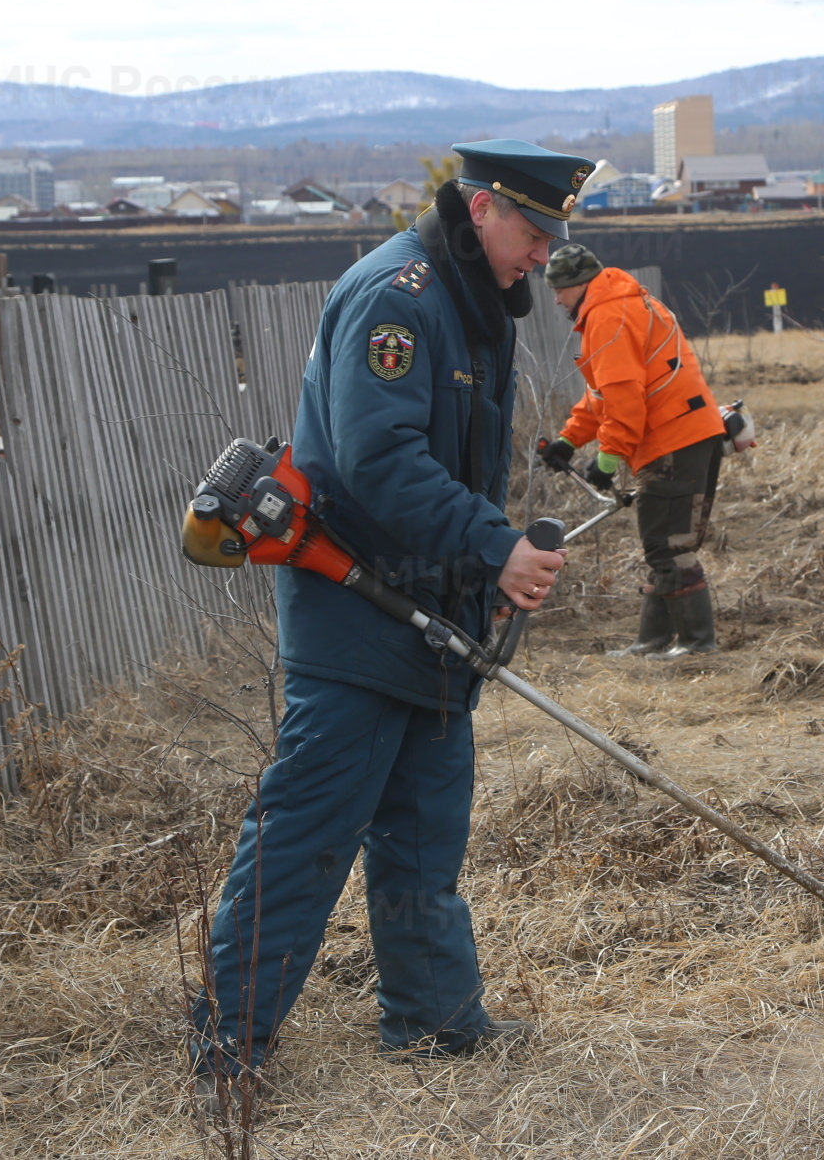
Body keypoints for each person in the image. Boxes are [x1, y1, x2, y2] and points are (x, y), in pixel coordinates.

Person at [193, 139, 591, 1088]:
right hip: (357, 611)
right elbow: (376, 465)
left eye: (551, 237)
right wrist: (494, 544)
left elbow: (447, 466)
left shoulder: (469, 301)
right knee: (308, 829)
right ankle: (229, 1045)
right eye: (534, 232)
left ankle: (435, 1020)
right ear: (484, 207)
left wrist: (481, 567)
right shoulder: (398, 299)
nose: (543, 254)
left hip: (431, 612)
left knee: (424, 829)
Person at [537, 245, 726, 658]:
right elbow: (601, 394)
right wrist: (569, 440)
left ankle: (696, 645)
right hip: (690, 434)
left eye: (559, 290)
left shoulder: (608, 315)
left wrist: (607, 460)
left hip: (672, 440)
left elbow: (625, 399)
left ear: (578, 285)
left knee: (670, 544)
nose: (555, 299)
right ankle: (653, 641)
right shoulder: (619, 304)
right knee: (664, 542)